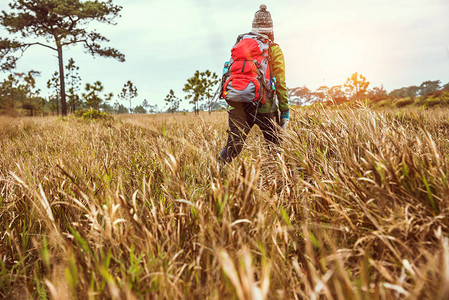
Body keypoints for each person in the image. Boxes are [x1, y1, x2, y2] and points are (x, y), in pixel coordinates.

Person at [218, 4, 289, 163]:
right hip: (265, 107)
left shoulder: (239, 45)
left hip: (237, 104)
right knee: (274, 148)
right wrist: (284, 113)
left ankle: (214, 176)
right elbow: (281, 84)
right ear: (270, 29)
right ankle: (275, 183)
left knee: (233, 147)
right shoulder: (273, 49)